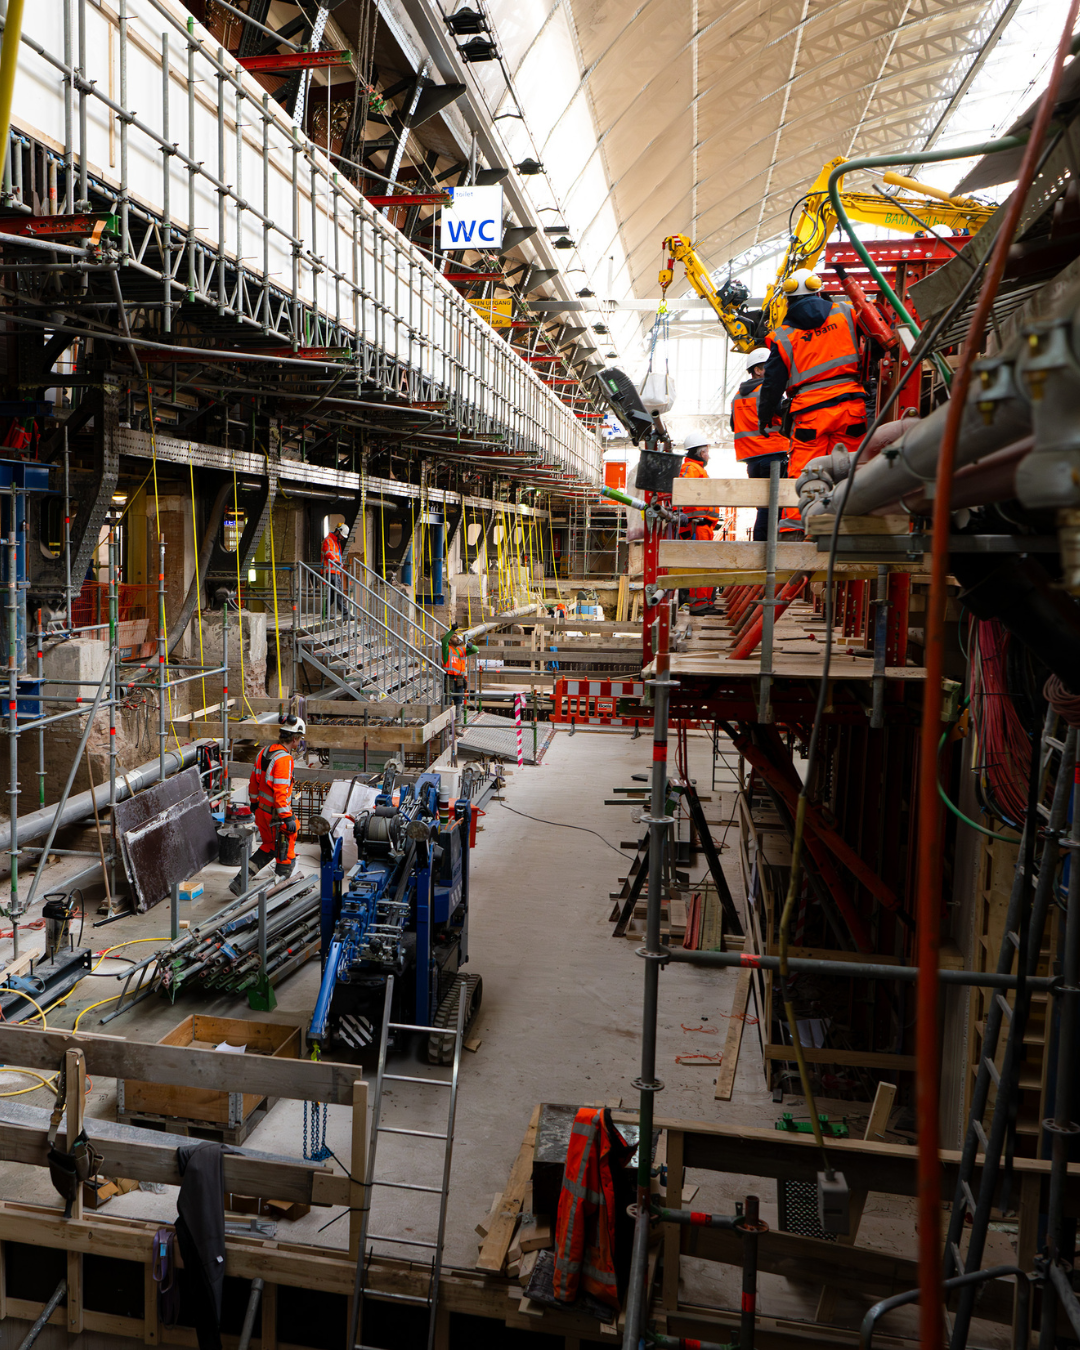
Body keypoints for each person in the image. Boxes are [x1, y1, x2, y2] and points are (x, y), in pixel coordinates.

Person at [757, 270, 868, 535]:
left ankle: (797, 532)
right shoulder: (846, 313)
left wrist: (766, 417)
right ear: (819, 291)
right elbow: (873, 348)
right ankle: (854, 525)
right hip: (851, 409)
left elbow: (773, 384)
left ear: (788, 300)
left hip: (810, 416)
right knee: (851, 469)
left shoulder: (783, 335)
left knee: (804, 476)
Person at [230, 714, 305, 895]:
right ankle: (281, 891)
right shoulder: (284, 760)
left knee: (270, 846)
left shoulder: (265, 751)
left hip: (262, 812)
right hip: (276, 815)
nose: (300, 742)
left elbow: (254, 781)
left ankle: (240, 881)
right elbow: (280, 792)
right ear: (294, 739)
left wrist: (254, 804)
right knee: (286, 850)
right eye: (300, 739)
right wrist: (288, 818)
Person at [731, 346, 790, 541]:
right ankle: (767, 552)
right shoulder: (767, 391)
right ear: (758, 370)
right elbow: (785, 416)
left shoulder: (737, 397)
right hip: (772, 455)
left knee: (763, 507)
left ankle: (761, 549)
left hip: (752, 462)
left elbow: (734, 425)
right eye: (769, 367)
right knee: (774, 506)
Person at [678, 431, 720, 616]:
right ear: (699, 452)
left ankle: (706, 602)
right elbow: (681, 488)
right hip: (696, 526)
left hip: (703, 526)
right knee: (699, 565)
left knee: (705, 564)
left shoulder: (698, 469)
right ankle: (698, 604)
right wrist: (680, 512)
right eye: (706, 452)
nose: (708, 455)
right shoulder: (691, 469)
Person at [442, 623, 478, 720]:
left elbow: (476, 650)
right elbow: (444, 641)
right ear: (450, 640)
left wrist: (471, 646)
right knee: (448, 700)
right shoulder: (447, 649)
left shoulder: (461, 650)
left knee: (458, 700)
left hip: (459, 679)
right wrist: (452, 631)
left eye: (457, 636)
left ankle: (457, 724)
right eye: (454, 637)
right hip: (449, 678)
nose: (457, 638)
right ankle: (447, 723)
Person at [321, 521, 349, 612]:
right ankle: (345, 613)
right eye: (342, 535)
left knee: (333, 595)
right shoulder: (328, 540)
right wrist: (336, 562)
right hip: (329, 571)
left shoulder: (336, 542)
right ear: (338, 531)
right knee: (338, 592)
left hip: (335, 571)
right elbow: (328, 553)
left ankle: (324, 612)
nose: (342, 537)